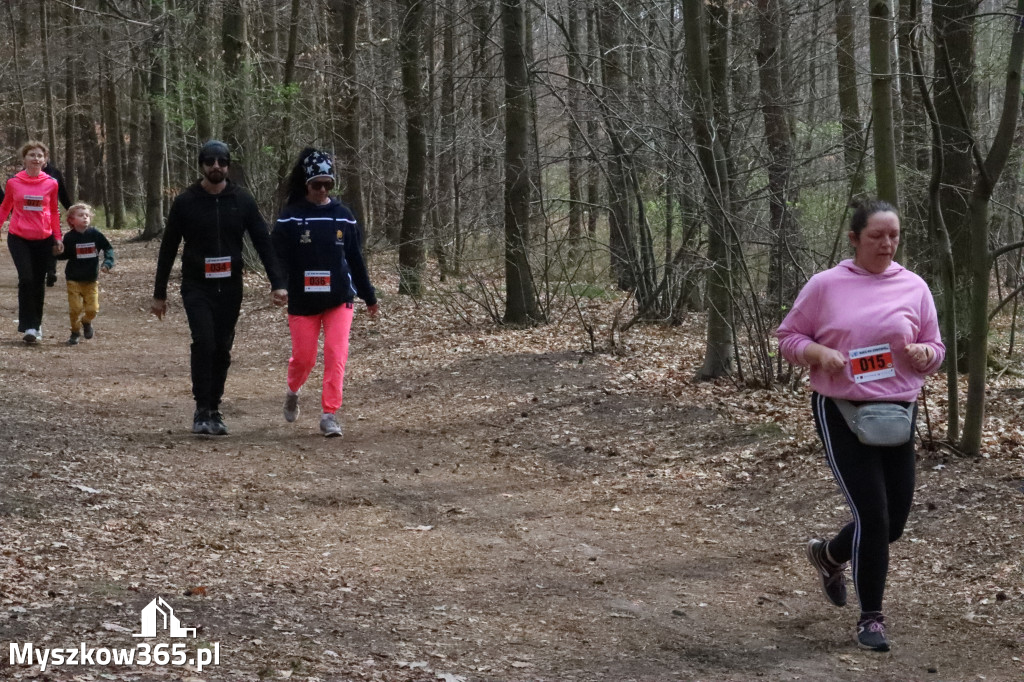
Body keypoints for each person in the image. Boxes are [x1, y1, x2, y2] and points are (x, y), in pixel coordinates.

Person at [776, 199, 945, 652]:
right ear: (854, 239)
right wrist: (818, 354)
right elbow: (788, 337)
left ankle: (828, 555)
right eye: (876, 236)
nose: (886, 244)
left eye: (893, 236)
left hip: (898, 413)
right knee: (872, 516)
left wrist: (927, 355)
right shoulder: (825, 286)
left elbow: (934, 344)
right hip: (842, 411)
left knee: (893, 524)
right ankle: (871, 619)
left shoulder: (915, 286)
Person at [151, 140, 287, 436]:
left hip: (230, 285)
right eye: (210, 161)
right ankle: (201, 409)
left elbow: (263, 241)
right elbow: (169, 247)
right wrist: (159, 293)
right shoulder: (186, 201)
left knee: (222, 347)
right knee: (204, 341)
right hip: (196, 284)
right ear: (201, 164)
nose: (216, 166)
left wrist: (278, 283)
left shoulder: (243, 200)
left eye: (222, 161)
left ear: (228, 166)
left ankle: (215, 408)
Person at [272, 148, 378, 438]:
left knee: (335, 354)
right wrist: (278, 285)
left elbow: (356, 258)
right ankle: (293, 390)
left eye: (327, 184)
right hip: (303, 300)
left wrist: (369, 296)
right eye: (316, 184)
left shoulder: (343, 216)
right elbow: (277, 256)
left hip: (339, 298)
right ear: (306, 184)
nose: (322, 190)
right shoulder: (291, 217)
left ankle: (330, 414)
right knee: (304, 358)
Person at [0, 141, 64, 344]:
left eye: (40, 156)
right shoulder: (13, 182)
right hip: (19, 237)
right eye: (32, 155)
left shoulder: (52, 183)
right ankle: (27, 325)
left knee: (39, 281)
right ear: (24, 159)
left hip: (43, 238)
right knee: (26, 278)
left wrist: (58, 236)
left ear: (45, 161)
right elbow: (5, 207)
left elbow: (53, 211)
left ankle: (36, 325)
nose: (36, 159)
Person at [55, 202, 114, 345]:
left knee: (93, 309)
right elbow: (65, 255)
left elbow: (108, 248)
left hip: (90, 280)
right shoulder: (69, 237)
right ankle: (75, 332)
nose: (85, 218)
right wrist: (56, 252)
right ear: (71, 220)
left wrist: (108, 263)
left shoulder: (95, 235)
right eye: (81, 215)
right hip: (73, 279)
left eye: (87, 215)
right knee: (75, 309)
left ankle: (86, 322)